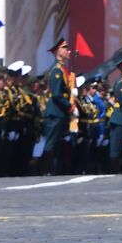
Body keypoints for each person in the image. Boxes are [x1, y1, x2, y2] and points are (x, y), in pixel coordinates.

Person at [41, 38, 76, 175]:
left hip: (60, 113)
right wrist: (69, 106)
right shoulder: (56, 70)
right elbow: (56, 94)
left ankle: (54, 169)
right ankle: (45, 169)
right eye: (65, 48)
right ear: (58, 51)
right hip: (55, 112)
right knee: (51, 142)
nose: (69, 51)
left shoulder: (63, 70)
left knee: (57, 143)